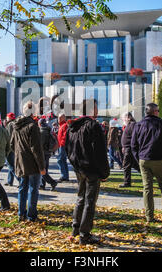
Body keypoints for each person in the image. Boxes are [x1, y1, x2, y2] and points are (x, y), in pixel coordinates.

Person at [65, 99, 110, 245]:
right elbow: (100, 152)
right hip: (90, 169)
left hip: (80, 168)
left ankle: (76, 229)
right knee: (89, 201)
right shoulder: (92, 126)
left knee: (81, 198)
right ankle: (84, 234)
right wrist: (104, 173)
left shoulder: (73, 127)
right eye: (96, 108)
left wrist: (76, 164)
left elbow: (68, 149)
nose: (97, 111)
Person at [131, 103, 162, 223]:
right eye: (157, 110)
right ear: (155, 112)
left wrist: (138, 157)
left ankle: (149, 216)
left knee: (147, 188)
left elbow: (133, 145)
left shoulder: (139, 125)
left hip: (144, 159)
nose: (159, 112)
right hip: (158, 159)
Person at [10, 102, 46, 222]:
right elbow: (36, 148)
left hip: (21, 162)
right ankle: (31, 216)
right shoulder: (32, 126)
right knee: (33, 189)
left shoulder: (17, 126)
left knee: (22, 188)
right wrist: (42, 166)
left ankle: (21, 214)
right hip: (32, 163)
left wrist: (19, 153)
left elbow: (11, 144)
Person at [120, 112, 140, 187]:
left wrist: (129, 147)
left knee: (126, 165)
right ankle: (148, 176)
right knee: (135, 165)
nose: (122, 119)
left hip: (130, 148)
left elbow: (134, 137)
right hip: (127, 148)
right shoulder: (129, 125)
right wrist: (123, 146)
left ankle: (127, 182)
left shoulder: (133, 124)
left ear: (128, 117)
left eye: (123, 117)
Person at [38, 118, 58, 191]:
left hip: (43, 153)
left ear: (40, 124)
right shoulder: (49, 130)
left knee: (42, 170)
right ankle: (42, 185)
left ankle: (52, 182)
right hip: (48, 152)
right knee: (44, 169)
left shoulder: (42, 131)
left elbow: (41, 144)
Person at [4, 112, 18, 186]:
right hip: (14, 147)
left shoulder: (10, 125)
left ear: (9, 117)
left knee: (10, 165)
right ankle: (10, 181)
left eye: (7, 117)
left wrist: (7, 147)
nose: (6, 118)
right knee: (11, 164)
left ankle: (20, 180)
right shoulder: (15, 123)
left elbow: (8, 137)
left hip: (10, 147)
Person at [56, 113, 70, 182]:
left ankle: (64, 176)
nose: (58, 119)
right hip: (61, 145)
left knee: (60, 160)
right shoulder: (62, 125)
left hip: (62, 146)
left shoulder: (64, 125)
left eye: (59, 118)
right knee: (63, 161)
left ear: (62, 118)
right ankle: (65, 176)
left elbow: (65, 136)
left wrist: (61, 144)